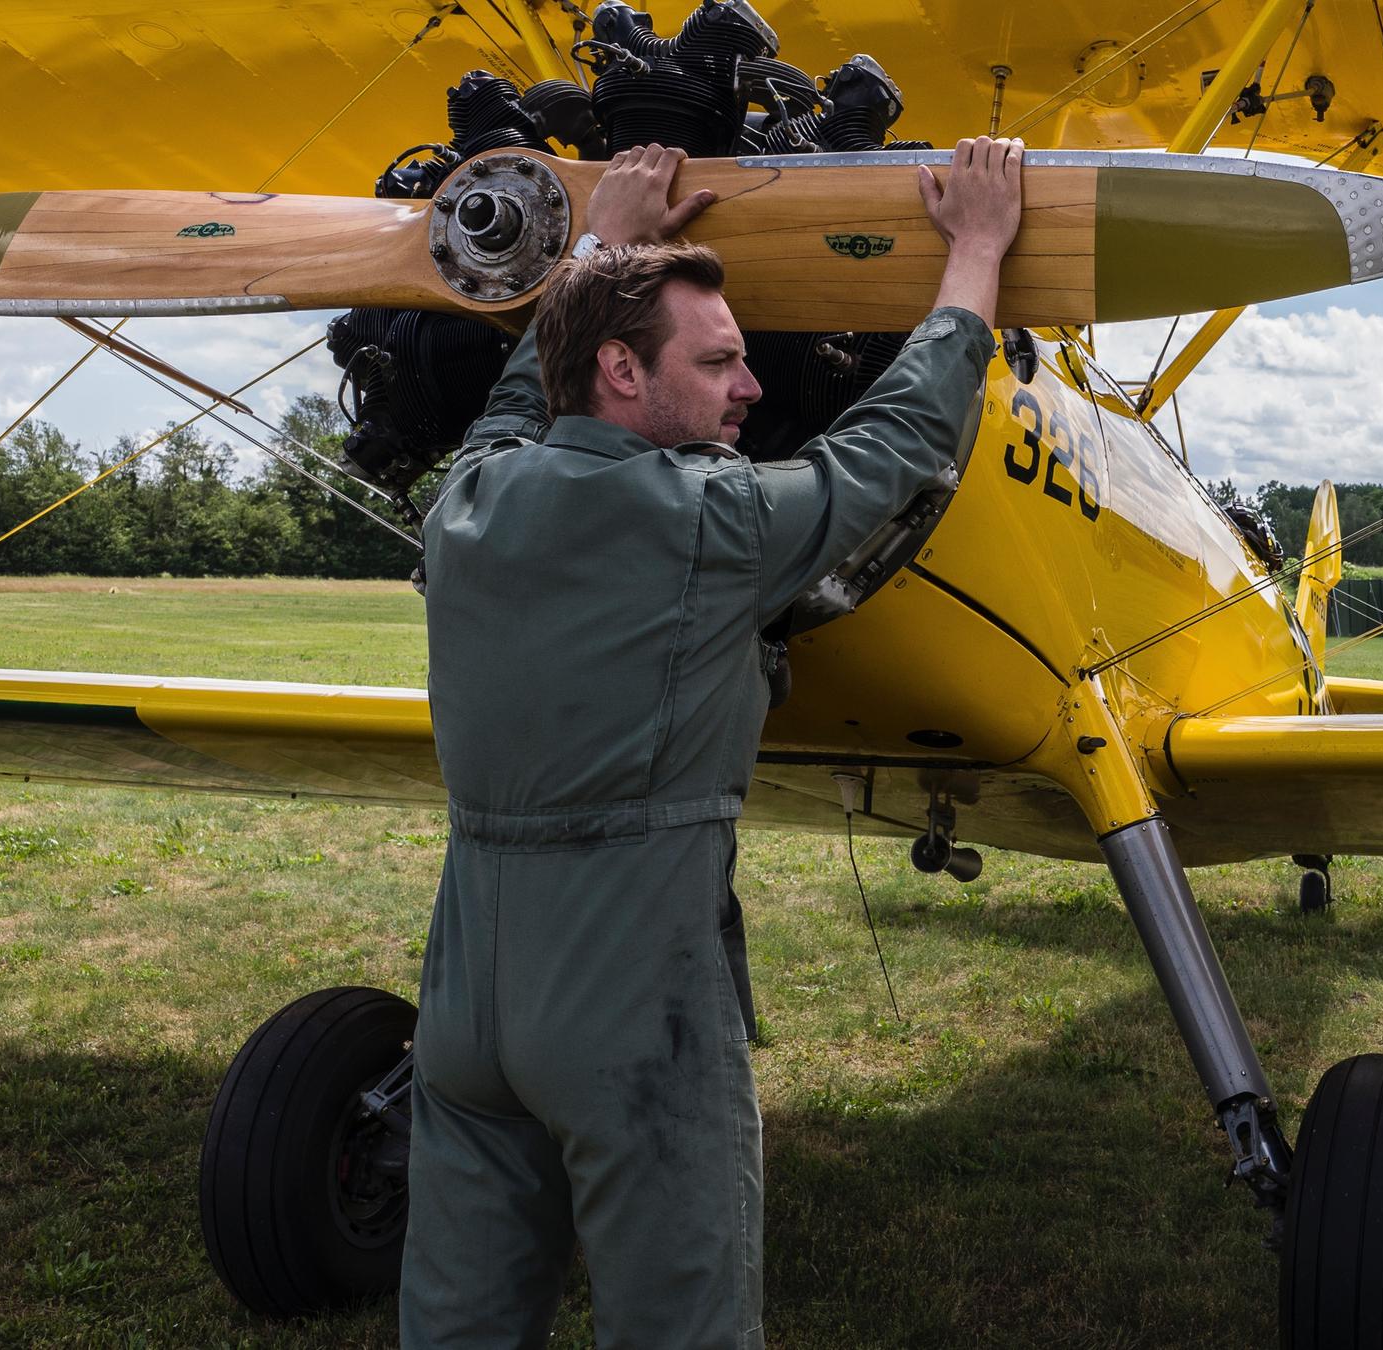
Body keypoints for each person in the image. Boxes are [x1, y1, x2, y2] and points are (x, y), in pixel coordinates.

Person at [400, 135, 1025, 1347]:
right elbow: (892, 445)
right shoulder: (712, 518)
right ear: (626, 374)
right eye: (724, 361)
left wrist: (600, 246)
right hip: (632, 1004)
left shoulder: (470, 497)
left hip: (465, 999)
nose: (752, 388)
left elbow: (528, 388)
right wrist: (980, 255)